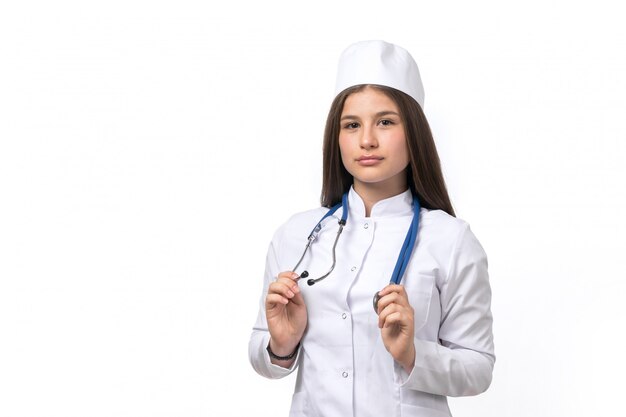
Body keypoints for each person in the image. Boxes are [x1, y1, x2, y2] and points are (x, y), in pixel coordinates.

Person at [249, 40, 495, 417]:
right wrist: (281, 346)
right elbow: (263, 353)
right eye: (351, 125)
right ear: (337, 137)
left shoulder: (451, 239)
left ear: (413, 132)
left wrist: (413, 354)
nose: (367, 140)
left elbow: (478, 368)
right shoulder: (295, 236)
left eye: (385, 121)